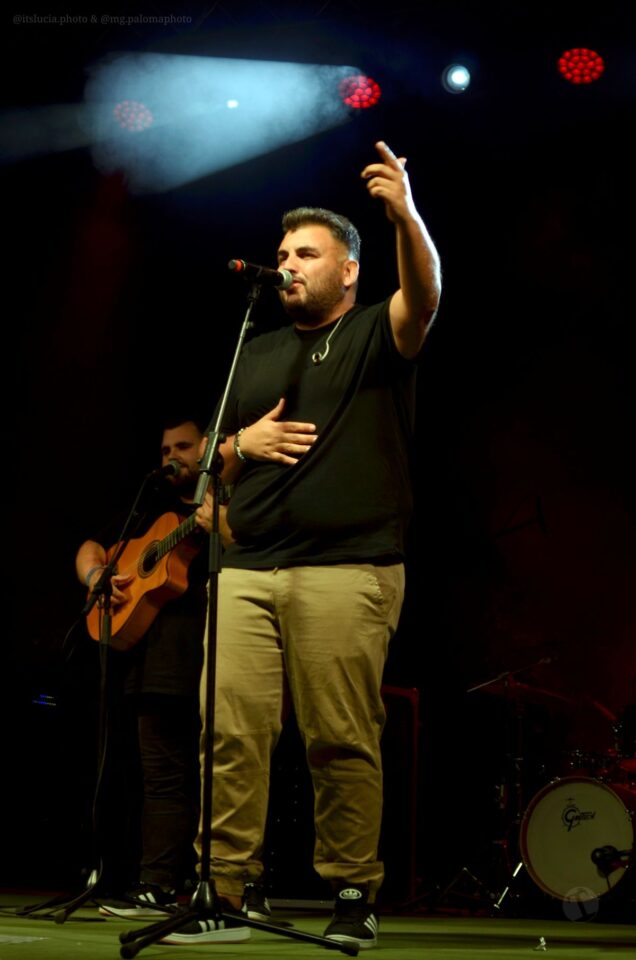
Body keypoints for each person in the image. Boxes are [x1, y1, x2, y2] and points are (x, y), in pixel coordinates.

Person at [169, 140, 442, 949]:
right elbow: (207, 467)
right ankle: (224, 891)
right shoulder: (253, 352)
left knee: (338, 737)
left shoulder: (373, 333)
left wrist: (405, 215)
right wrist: (239, 446)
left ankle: (353, 892)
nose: (287, 264)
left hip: (347, 567)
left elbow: (425, 297)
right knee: (229, 734)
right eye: (284, 253)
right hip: (246, 569)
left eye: (306, 254)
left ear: (348, 270)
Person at [75, 416, 217, 920]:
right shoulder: (149, 509)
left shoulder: (218, 504)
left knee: (207, 775)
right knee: (158, 776)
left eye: (183, 447)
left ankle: (218, 884)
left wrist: (218, 523)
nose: (171, 457)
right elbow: (90, 547)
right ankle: (153, 883)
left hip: (203, 658)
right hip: (149, 664)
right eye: (164, 450)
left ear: (208, 448)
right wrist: (98, 575)